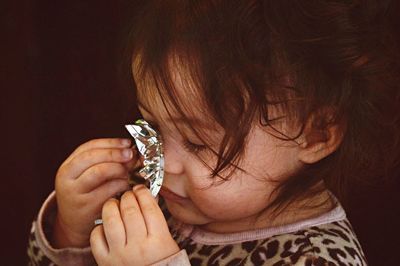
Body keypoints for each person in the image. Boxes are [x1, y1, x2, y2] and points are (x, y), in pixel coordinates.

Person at [28, 0, 400, 265]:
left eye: (196, 142)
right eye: (153, 126)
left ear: (315, 134)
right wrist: (71, 235)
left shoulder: (314, 258)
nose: (162, 163)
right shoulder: (169, 197)